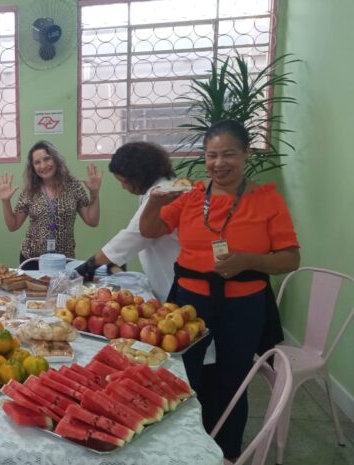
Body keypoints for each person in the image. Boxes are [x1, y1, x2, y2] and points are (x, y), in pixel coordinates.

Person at [139, 120, 300, 459]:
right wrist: (154, 201)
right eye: (212, 155)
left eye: (229, 154)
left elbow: (290, 259)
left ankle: (225, 452)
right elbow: (151, 229)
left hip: (243, 305)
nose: (219, 163)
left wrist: (249, 261)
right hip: (189, 304)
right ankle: (180, 451)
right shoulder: (192, 196)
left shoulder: (267, 200)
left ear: (245, 154)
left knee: (232, 381)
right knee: (182, 378)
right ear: (204, 158)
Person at [74, 142, 180, 301]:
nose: (123, 187)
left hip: (174, 284)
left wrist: (86, 268)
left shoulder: (164, 194)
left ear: (140, 175)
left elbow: (131, 237)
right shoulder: (158, 189)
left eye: (124, 181)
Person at [0, 140, 101, 268]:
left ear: (55, 159)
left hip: (64, 259)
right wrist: (5, 201)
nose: (43, 165)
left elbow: (92, 221)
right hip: (32, 259)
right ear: (32, 167)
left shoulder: (73, 186)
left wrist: (94, 193)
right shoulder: (30, 190)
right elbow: (13, 225)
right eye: (37, 162)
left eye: (47, 159)